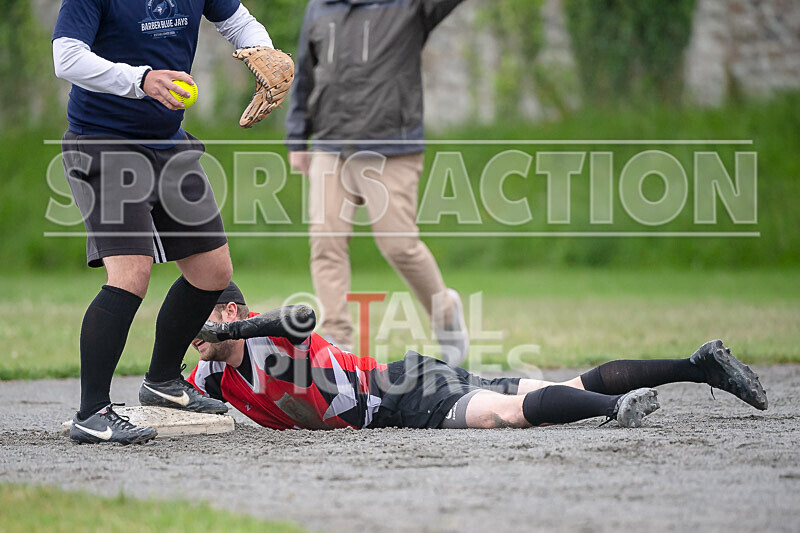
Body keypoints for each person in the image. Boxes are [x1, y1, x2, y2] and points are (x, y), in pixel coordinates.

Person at [53, 0, 278, 444]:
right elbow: (67, 58)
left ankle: (162, 382)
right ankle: (92, 412)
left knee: (213, 271)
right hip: (103, 141)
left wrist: (264, 53)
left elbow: (238, 21)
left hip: (167, 142)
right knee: (130, 276)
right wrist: (140, 79)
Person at [187, 282, 768, 431]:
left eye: (198, 319)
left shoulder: (271, 339)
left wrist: (236, 325)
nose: (190, 333)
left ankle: (616, 408)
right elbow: (173, 398)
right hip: (411, 379)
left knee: (503, 415)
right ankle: (697, 366)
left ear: (232, 313)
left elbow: (302, 317)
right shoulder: (212, 374)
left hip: (398, 395)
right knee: (559, 388)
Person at [284, 0, 469, 362]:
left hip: (391, 146)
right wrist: (297, 138)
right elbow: (305, 74)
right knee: (325, 242)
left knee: (399, 246)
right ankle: (337, 340)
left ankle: (445, 312)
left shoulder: (408, 6)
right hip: (331, 145)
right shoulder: (319, 8)